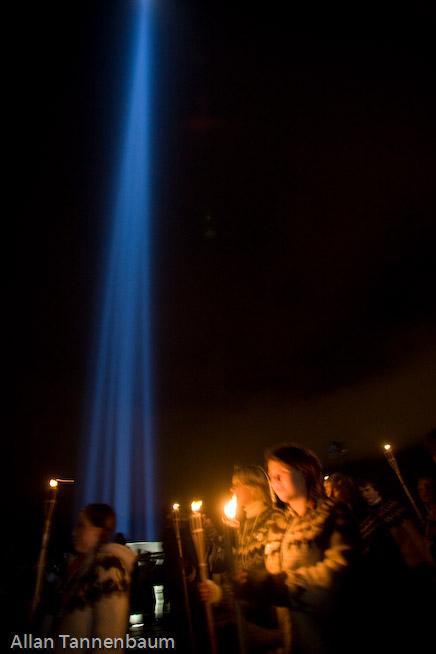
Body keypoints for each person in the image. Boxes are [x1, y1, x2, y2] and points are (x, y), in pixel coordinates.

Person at [237, 444, 360, 654]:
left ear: (303, 473)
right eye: (271, 476)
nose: (274, 482)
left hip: (334, 639)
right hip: (295, 643)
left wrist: (280, 586)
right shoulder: (279, 528)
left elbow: (337, 578)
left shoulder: (332, 515)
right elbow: (270, 578)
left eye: (281, 475)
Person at [200, 465, 287, 653]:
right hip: (249, 624)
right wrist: (218, 593)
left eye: (236, 484)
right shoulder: (242, 527)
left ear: (254, 487)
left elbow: (280, 576)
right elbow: (239, 573)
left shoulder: (275, 519)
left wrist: (278, 632)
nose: (231, 489)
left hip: (271, 622)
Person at [55, 503, 136, 653]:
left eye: (81, 526)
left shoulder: (108, 568)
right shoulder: (82, 568)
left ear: (98, 531)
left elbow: (109, 640)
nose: (74, 532)